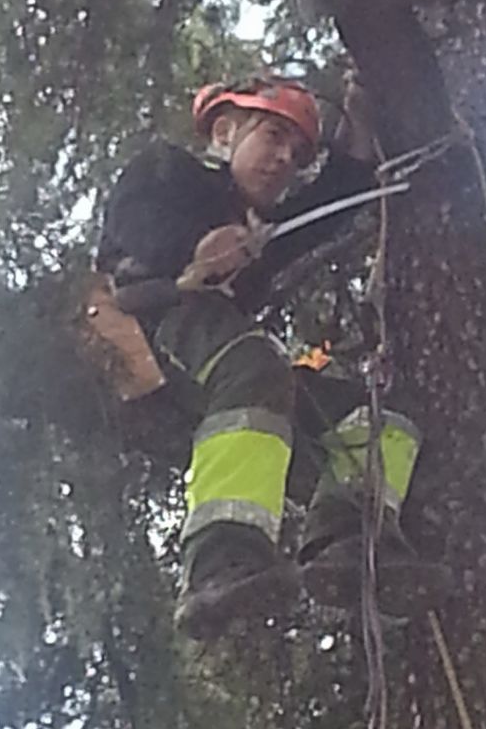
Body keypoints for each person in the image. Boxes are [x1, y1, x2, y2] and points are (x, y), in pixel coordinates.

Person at [96, 76, 425, 640]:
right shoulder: (170, 171)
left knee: (379, 415)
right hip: (149, 322)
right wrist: (193, 249)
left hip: (218, 350)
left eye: (296, 155)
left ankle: (347, 541)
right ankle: (221, 559)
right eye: (273, 136)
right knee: (255, 366)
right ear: (224, 133)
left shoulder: (261, 231)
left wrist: (358, 140)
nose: (284, 160)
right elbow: (134, 218)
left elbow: (325, 210)